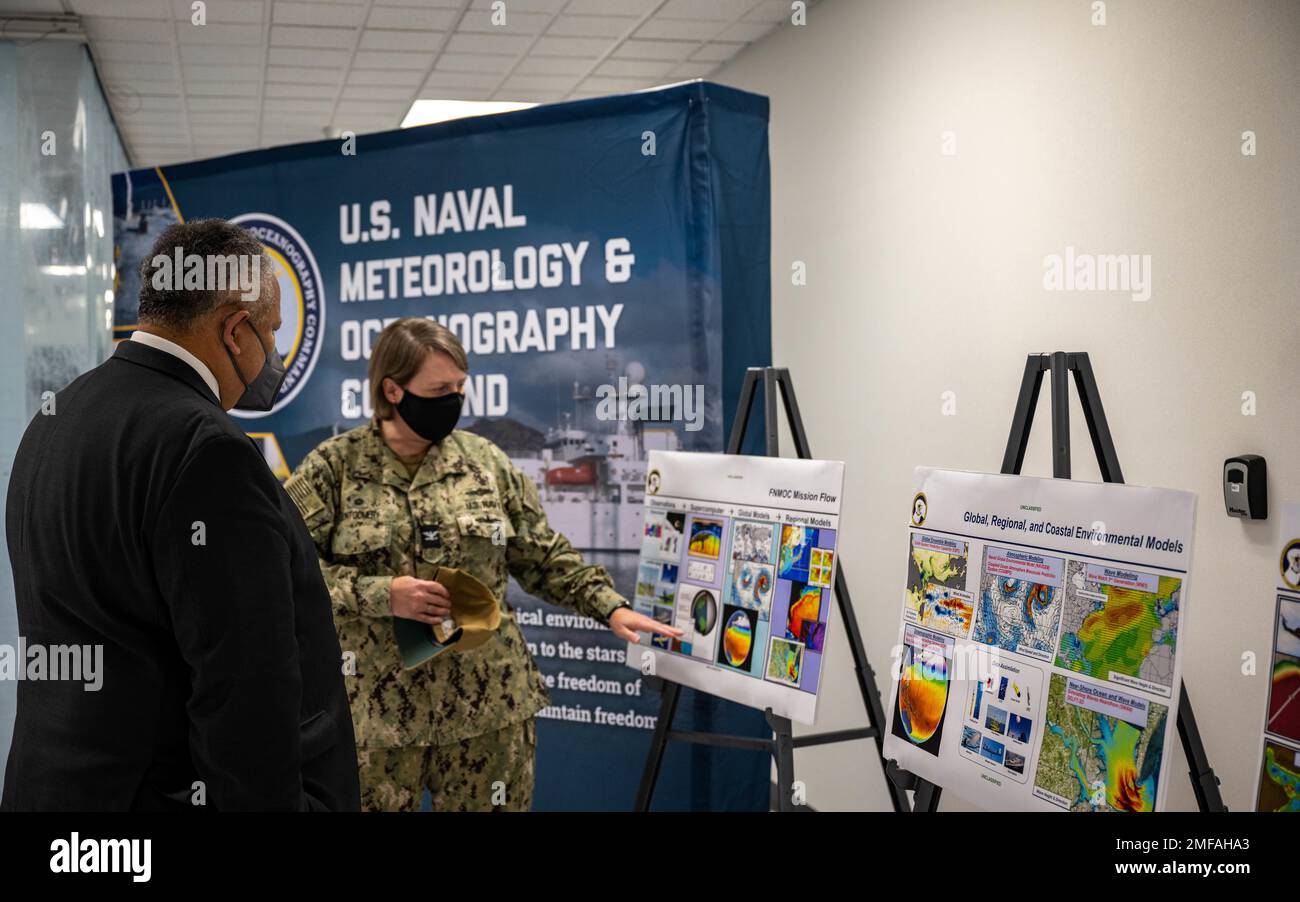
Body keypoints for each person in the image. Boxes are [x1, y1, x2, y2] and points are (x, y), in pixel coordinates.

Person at [2, 219, 360, 811]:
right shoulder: (206, 448)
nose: (274, 354)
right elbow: (243, 693)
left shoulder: (54, 418)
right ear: (235, 330)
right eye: (271, 334)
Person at [285, 317, 678, 811]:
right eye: (439, 389)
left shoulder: (486, 463)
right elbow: (287, 575)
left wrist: (610, 607)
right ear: (392, 389)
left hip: (488, 712)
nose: (453, 399)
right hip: (375, 720)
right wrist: (383, 594)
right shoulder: (333, 469)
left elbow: (542, 554)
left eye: (459, 387)